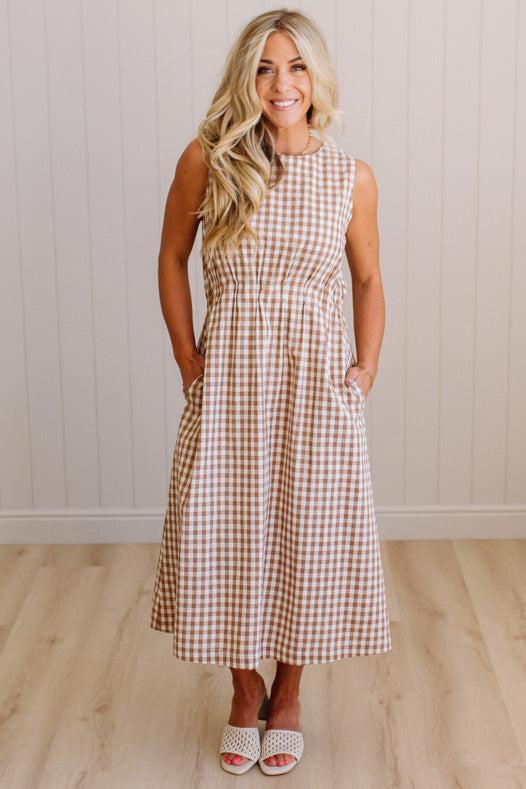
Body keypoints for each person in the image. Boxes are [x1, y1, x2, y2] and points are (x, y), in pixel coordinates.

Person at [150, 7, 392, 777]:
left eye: (294, 67)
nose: (280, 83)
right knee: (222, 529)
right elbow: (170, 256)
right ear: (244, 78)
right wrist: (188, 355)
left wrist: (365, 369)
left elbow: (368, 278)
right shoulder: (209, 160)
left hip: (316, 384)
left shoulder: (350, 177)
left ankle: (286, 694)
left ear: (317, 77)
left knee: (306, 533)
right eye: (263, 67)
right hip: (230, 384)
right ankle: (242, 687)